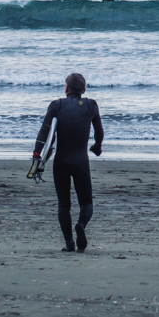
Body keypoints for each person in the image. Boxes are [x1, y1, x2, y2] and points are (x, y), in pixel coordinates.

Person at [33, 73, 104, 253]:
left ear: (66, 89)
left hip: (61, 161)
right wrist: (97, 146)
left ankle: (69, 243)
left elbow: (44, 133)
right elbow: (99, 132)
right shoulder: (91, 105)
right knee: (86, 202)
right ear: (84, 90)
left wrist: (36, 155)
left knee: (64, 204)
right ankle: (81, 224)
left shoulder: (56, 106)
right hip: (81, 161)